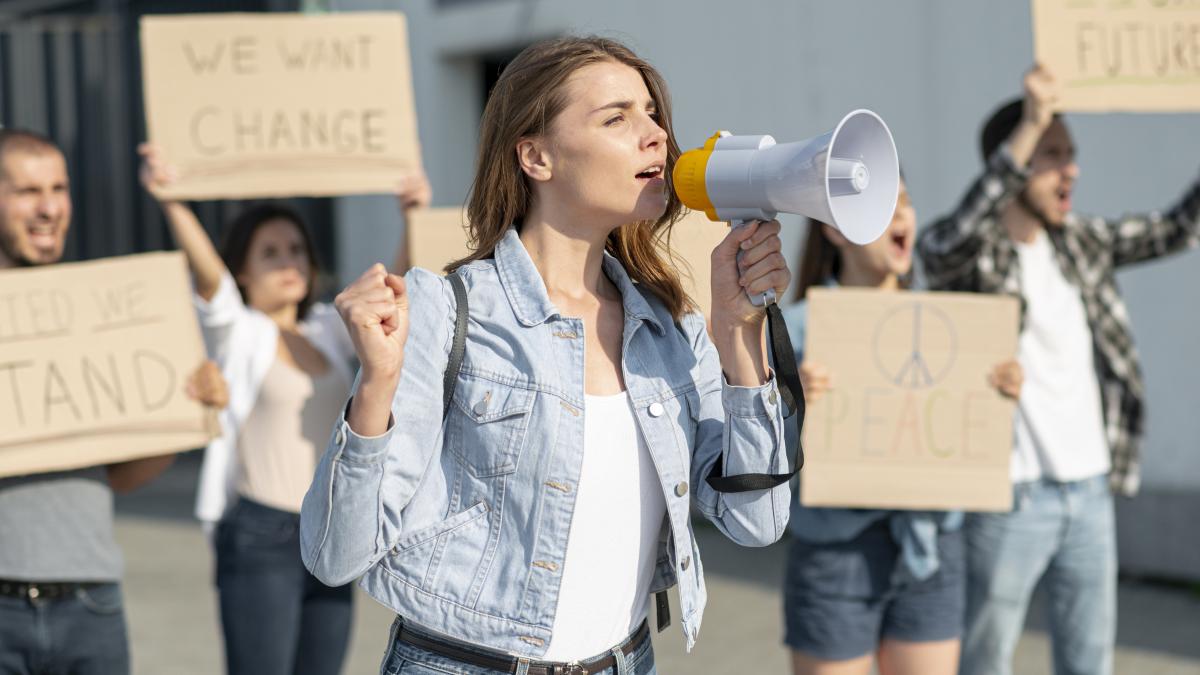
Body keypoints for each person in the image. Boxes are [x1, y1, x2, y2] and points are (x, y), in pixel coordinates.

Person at [300, 36, 794, 674]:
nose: (656, 137)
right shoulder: (448, 310)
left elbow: (758, 521)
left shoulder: (672, 328)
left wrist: (740, 339)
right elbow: (336, 555)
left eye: (652, 114)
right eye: (616, 118)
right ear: (536, 157)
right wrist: (376, 386)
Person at [917, 65, 1200, 675]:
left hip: (1092, 492)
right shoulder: (975, 253)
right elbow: (939, 247)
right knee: (985, 659)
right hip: (1010, 497)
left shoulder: (1081, 243)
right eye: (1051, 154)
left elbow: (1178, 228)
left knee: (1090, 663)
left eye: (1070, 154)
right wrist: (1031, 121)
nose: (1069, 168)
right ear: (1012, 162)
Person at [138, 145, 431, 675]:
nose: (289, 261)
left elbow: (394, 293)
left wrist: (412, 213)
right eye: (269, 253)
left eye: (295, 249)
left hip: (330, 531)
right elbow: (211, 285)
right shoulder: (239, 333)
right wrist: (171, 200)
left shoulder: (327, 330)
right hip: (260, 535)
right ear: (243, 273)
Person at [0, 128, 227, 675]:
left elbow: (122, 476)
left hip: (91, 604)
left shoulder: (98, 319)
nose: (49, 207)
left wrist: (188, 415)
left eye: (59, 187)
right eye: (28, 191)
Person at [781, 178, 1022, 675]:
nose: (901, 217)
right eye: (881, 208)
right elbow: (762, 461)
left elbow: (974, 443)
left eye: (906, 204)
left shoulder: (954, 325)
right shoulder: (797, 329)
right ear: (836, 232)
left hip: (933, 547)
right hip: (836, 552)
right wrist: (788, 406)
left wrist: (997, 394)